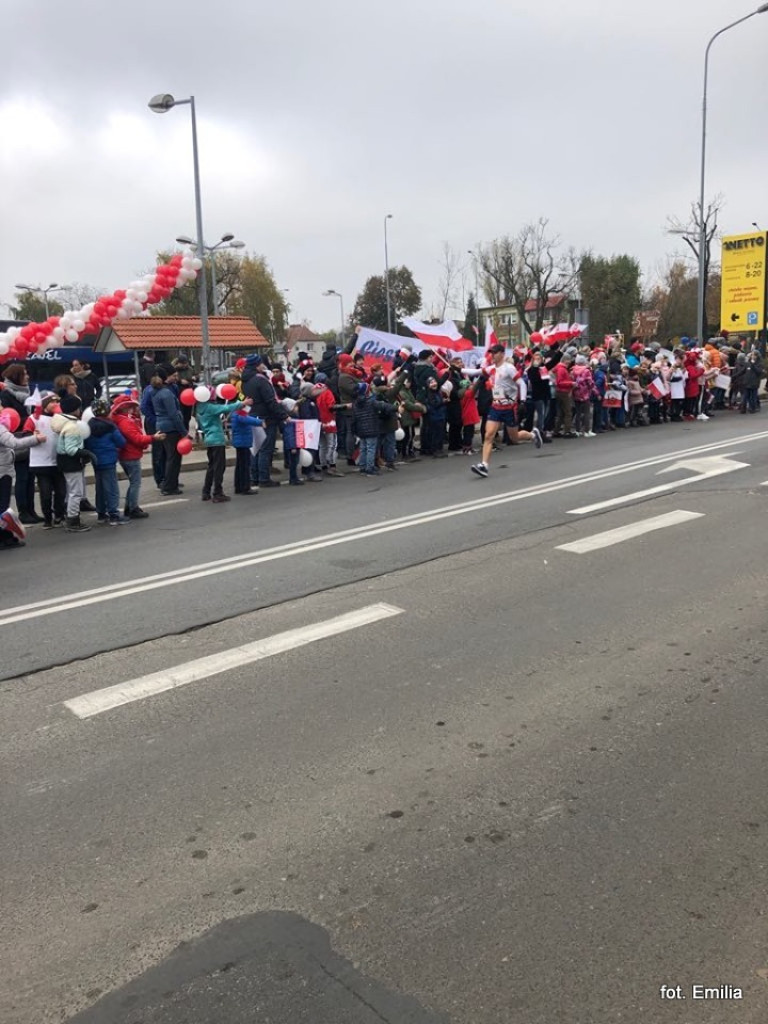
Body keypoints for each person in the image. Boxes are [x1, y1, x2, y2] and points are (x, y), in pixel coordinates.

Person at [471, 345, 542, 478]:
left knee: (514, 438)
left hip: (510, 407)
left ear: (502, 354)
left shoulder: (509, 368)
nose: (492, 355)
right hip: (496, 407)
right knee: (488, 435)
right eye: (491, 353)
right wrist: (456, 369)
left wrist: (522, 401)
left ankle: (533, 435)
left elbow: (521, 383)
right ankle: (484, 465)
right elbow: (475, 372)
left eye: (495, 353)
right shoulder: (492, 369)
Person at [110, 394, 165, 518]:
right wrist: (153, 437)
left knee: (133, 482)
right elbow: (137, 439)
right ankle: (132, 508)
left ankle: (130, 506)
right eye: (130, 406)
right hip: (131, 455)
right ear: (125, 407)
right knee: (135, 483)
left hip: (126, 454)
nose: (132, 408)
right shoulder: (125, 422)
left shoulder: (120, 420)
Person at [241, 353, 289, 488]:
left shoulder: (245, 380)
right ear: (258, 364)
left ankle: (254, 477)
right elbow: (270, 401)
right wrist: (284, 415)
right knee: (265, 449)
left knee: (255, 448)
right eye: (262, 362)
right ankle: (264, 478)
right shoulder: (261, 380)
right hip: (266, 418)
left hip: (252, 416)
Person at [0, 363, 41, 523]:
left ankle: (31, 510)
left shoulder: (26, 393)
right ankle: (23, 511)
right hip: (16, 439)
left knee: (30, 477)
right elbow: (9, 419)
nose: (28, 376)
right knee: (22, 477)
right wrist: (29, 420)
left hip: (27, 436)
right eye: (24, 374)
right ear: (16, 377)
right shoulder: (6, 395)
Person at [0, 408, 44, 548]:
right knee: (3, 508)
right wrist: (35, 439)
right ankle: (4, 539)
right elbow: (15, 444)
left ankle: (6, 537)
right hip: (2, 472)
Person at [195, 390, 249, 502]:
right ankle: (217, 493)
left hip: (208, 439)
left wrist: (219, 421)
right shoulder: (210, 407)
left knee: (211, 466)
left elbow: (210, 420)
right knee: (219, 467)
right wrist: (243, 403)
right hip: (217, 440)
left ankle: (206, 492)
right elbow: (226, 408)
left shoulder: (199, 408)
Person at [51, 394, 93, 533]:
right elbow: (70, 449)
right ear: (75, 409)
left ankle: (70, 517)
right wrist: (86, 453)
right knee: (76, 492)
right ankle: (73, 520)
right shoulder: (72, 427)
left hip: (63, 461)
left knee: (71, 491)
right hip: (71, 462)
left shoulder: (62, 422)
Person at [85, 399, 130, 525]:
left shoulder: (89, 426)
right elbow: (121, 442)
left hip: (96, 460)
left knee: (100, 487)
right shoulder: (110, 426)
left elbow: (86, 443)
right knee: (111, 488)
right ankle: (114, 514)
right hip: (109, 460)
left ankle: (101, 513)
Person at [25, 393, 66, 529]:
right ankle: (48, 518)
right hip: (40, 463)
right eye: (52, 401)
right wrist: (34, 436)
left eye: (57, 401)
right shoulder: (34, 418)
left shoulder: (59, 418)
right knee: (46, 493)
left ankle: (59, 515)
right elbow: (25, 434)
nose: (55, 404)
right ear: (44, 404)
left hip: (57, 461)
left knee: (61, 492)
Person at [151, 364, 188, 495]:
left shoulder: (155, 391)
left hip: (161, 425)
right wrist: (184, 432)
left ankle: (168, 484)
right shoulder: (166, 393)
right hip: (170, 428)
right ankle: (169, 486)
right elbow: (173, 414)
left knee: (169, 457)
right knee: (173, 458)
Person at [352, 382, 396, 476]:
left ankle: (363, 467)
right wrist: (395, 408)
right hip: (371, 428)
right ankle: (370, 468)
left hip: (361, 429)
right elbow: (384, 406)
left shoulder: (355, 403)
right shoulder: (371, 401)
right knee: (371, 448)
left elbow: (354, 418)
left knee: (363, 448)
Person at [230, 404, 264, 495]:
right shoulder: (239, 413)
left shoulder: (235, 413)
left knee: (240, 466)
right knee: (244, 466)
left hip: (240, 442)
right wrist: (260, 422)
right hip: (243, 442)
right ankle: (245, 487)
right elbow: (246, 419)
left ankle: (239, 487)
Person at [314, 372, 344, 476]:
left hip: (318, 422)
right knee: (332, 444)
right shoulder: (327, 392)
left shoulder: (314, 391)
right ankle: (332, 465)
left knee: (322, 445)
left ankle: (323, 465)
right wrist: (343, 407)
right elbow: (331, 406)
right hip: (329, 421)